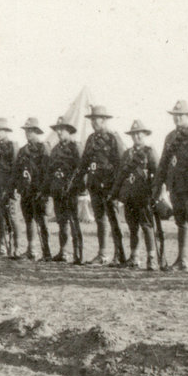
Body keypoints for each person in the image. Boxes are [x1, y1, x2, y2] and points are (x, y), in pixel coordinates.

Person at [154, 100, 188, 273]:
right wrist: (158, 186)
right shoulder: (170, 137)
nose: (177, 119)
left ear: (187, 116)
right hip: (175, 186)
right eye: (175, 116)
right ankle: (182, 260)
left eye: (181, 116)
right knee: (180, 223)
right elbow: (163, 164)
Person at [76, 105, 125, 265]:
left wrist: (117, 190)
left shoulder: (113, 138)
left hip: (110, 186)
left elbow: (120, 164)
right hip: (95, 185)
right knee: (100, 220)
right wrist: (79, 180)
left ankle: (120, 254)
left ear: (104, 120)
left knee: (113, 220)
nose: (93, 123)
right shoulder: (91, 139)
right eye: (92, 120)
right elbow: (84, 163)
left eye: (95, 120)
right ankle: (103, 254)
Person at [113, 120, 160, 269]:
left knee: (146, 226)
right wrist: (115, 195)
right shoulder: (127, 154)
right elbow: (121, 175)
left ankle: (151, 258)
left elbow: (157, 174)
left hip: (143, 196)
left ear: (144, 134)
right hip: (129, 196)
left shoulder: (149, 152)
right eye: (134, 134)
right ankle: (134, 257)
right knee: (133, 227)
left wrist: (155, 194)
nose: (136, 136)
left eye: (139, 133)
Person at [47, 116, 84, 264]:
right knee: (61, 222)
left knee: (74, 221)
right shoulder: (55, 149)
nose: (59, 132)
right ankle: (63, 251)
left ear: (69, 131)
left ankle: (78, 254)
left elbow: (80, 168)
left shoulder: (75, 147)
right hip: (58, 190)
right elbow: (50, 170)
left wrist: (76, 187)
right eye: (58, 130)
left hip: (70, 190)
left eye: (62, 129)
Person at [14, 117, 51, 261]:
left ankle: (46, 252)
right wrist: (17, 187)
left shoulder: (43, 148)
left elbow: (47, 171)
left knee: (42, 221)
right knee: (28, 220)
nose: (27, 134)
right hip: (26, 191)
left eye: (30, 131)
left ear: (37, 132)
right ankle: (31, 250)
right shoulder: (23, 150)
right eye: (26, 131)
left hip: (38, 191)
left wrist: (43, 191)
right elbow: (17, 171)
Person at [0, 118, 20, 257]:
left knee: (12, 217)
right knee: (0, 216)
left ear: (6, 131)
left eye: (0, 130)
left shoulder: (13, 146)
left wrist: (11, 188)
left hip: (10, 187)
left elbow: (16, 168)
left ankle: (17, 247)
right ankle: (1, 245)